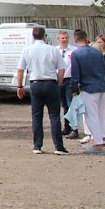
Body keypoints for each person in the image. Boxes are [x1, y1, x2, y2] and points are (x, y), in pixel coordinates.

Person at [16, 26, 68, 155]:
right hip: (50, 82)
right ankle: (58, 146)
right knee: (55, 115)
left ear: (33, 36)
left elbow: (20, 70)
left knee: (37, 116)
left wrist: (20, 86)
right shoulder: (52, 50)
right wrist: (58, 82)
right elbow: (62, 69)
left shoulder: (27, 50)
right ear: (45, 36)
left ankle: (37, 145)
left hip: (35, 83)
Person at [70, 30, 105, 154]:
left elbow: (75, 75)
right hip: (102, 87)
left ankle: (98, 144)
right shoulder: (97, 52)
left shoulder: (76, 54)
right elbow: (104, 70)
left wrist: (74, 90)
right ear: (86, 38)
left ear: (75, 40)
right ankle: (102, 137)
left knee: (91, 117)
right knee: (101, 115)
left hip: (88, 88)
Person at [56, 30, 78, 139]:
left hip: (70, 79)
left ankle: (75, 129)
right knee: (64, 105)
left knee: (71, 105)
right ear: (58, 39)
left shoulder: (74, 50)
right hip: (59, 80)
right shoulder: (55, 50)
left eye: (66, 38)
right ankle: (67, 127)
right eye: (62, 38)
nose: (64, 40)